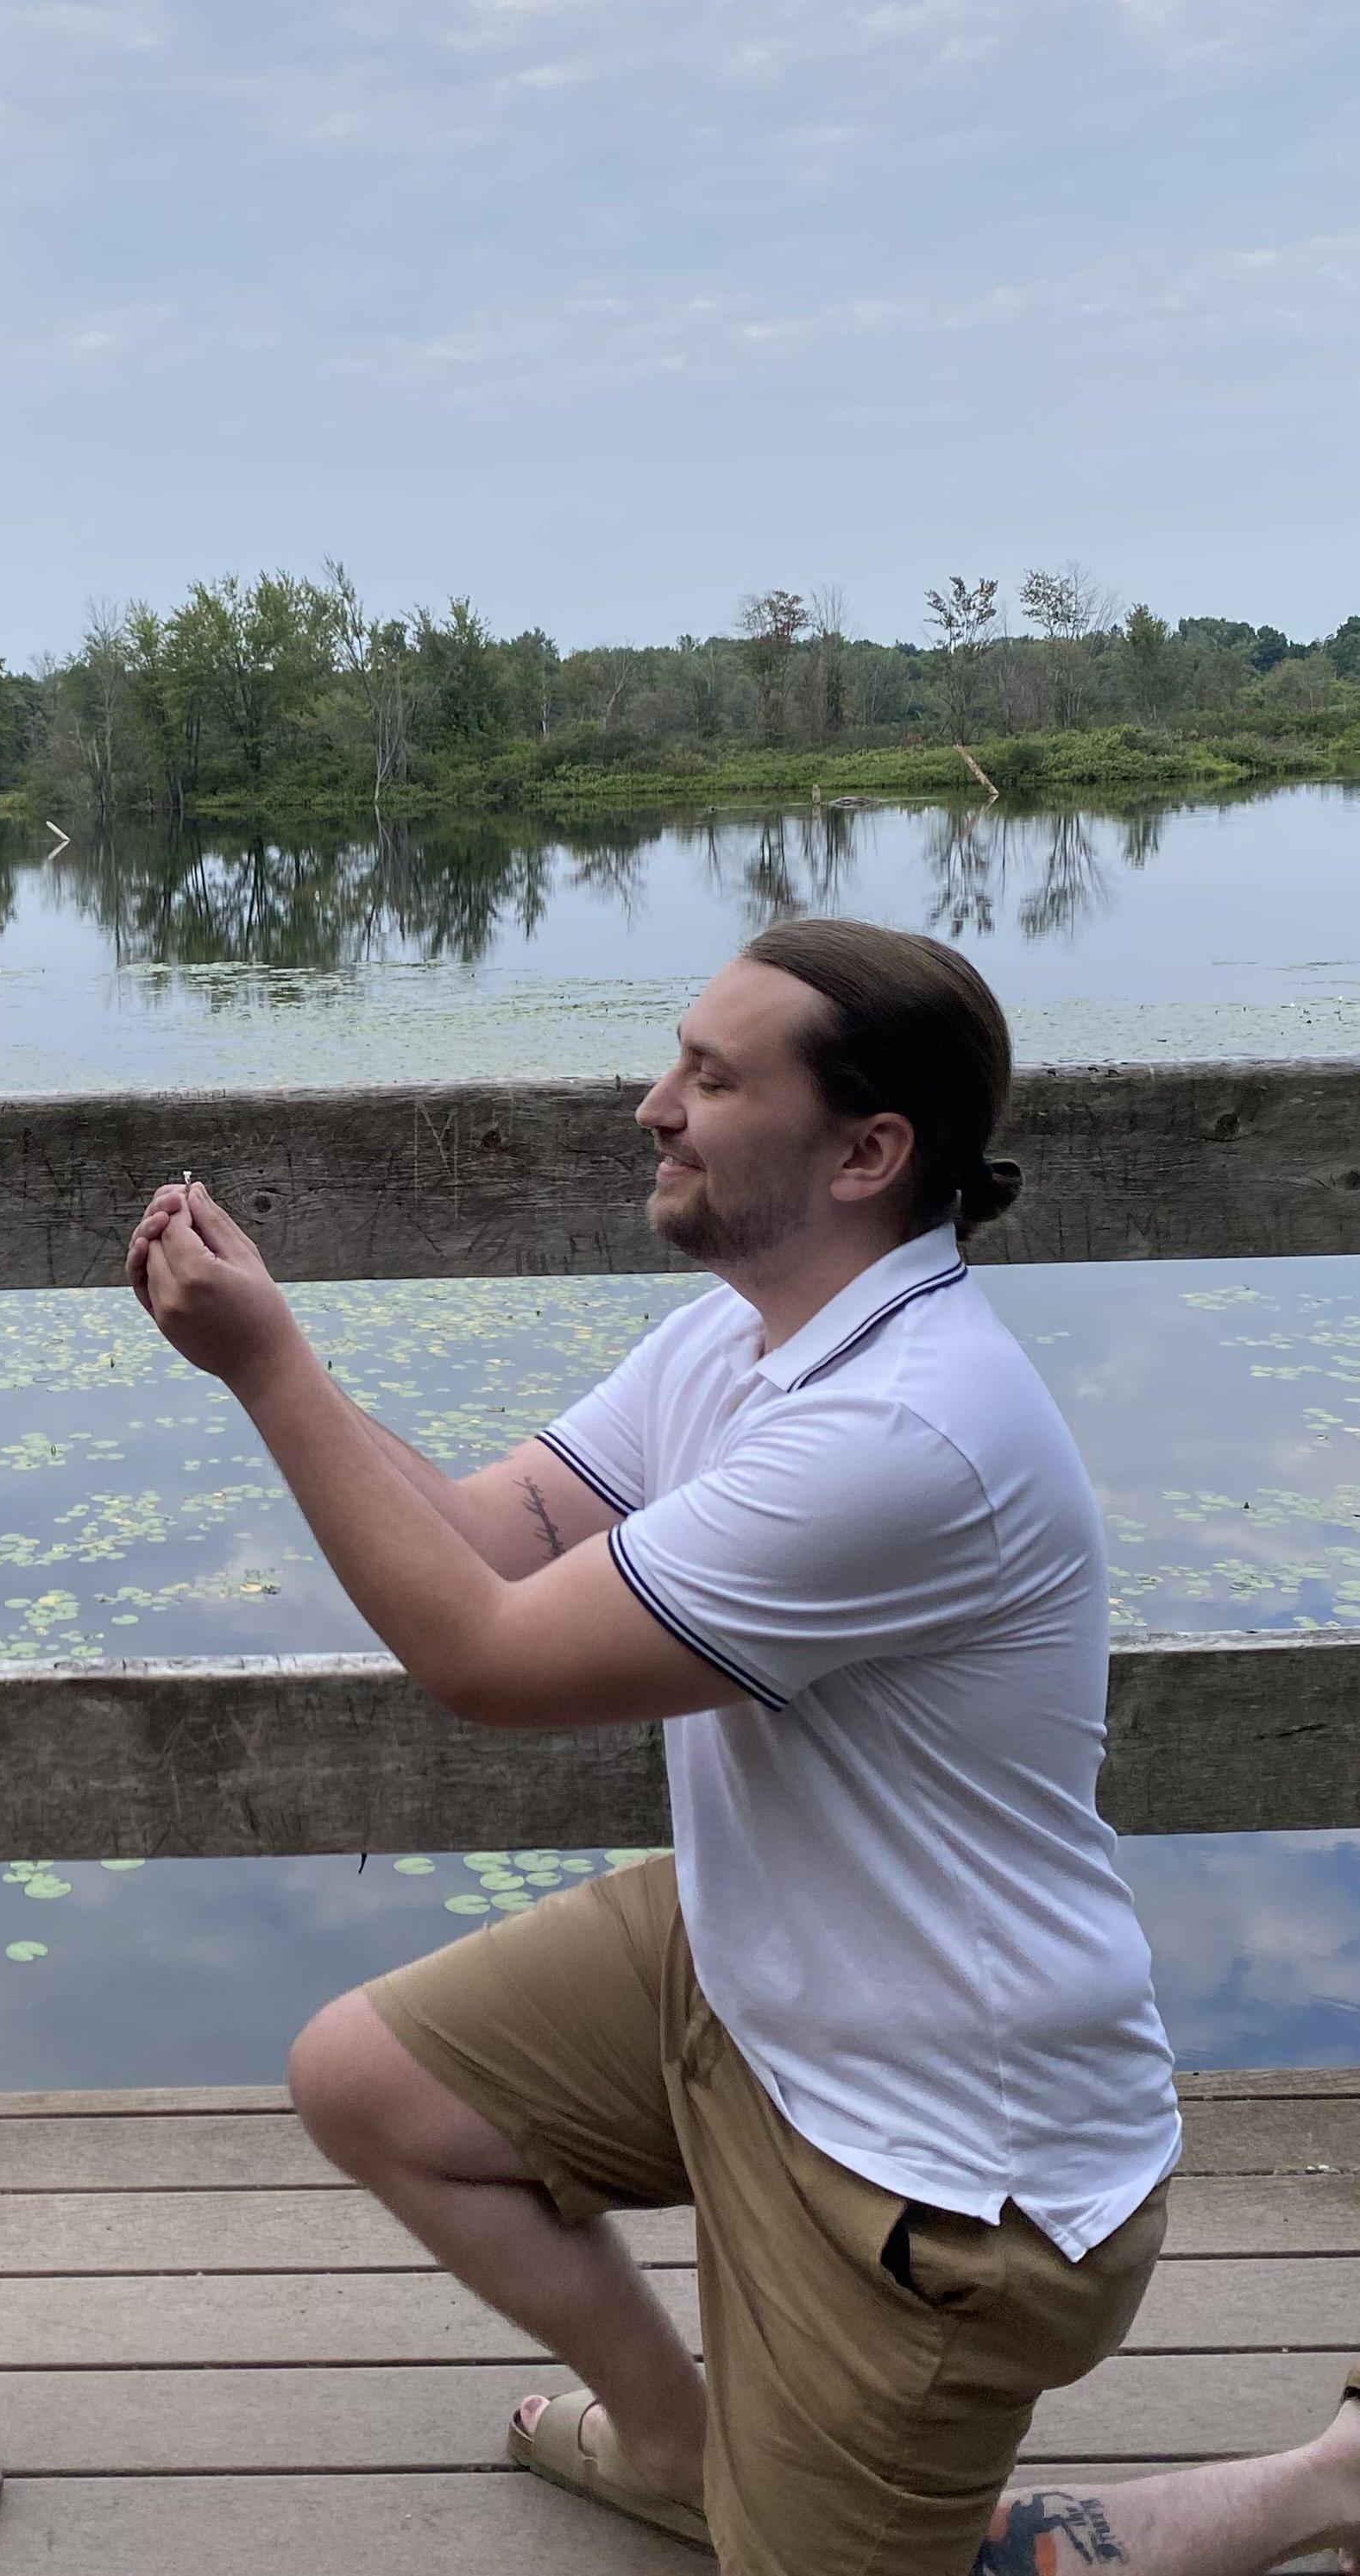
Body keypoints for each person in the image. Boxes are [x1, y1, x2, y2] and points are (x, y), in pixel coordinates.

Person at [127, 918, 1360, 2576]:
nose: (653, 1105)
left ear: (866, 1151)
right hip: (770, 1970)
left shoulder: (902, 1427)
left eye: (711, 1077)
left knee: (969, 2560)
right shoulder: (750, 1328)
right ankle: (678, 2443)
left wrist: (262, 1367)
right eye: (673, 1061)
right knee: (373, 2082)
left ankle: (1324, 2483)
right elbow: (497, 1541)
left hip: (940, 2167)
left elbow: (480, 1660)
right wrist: (284, 1358)